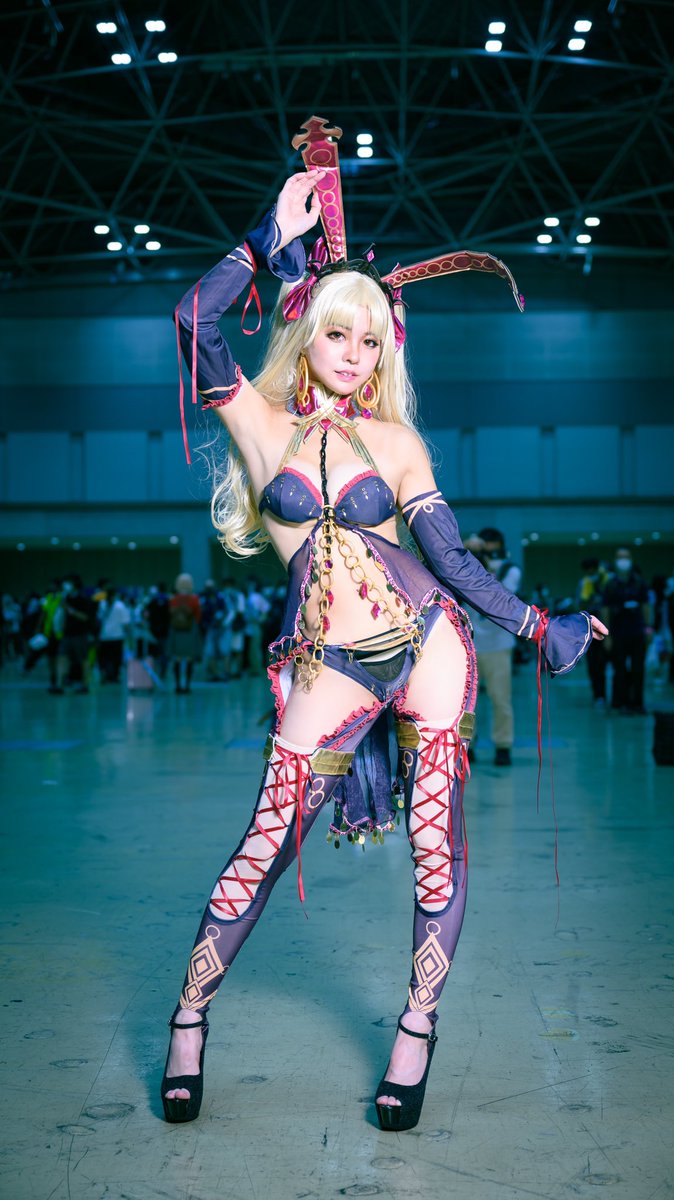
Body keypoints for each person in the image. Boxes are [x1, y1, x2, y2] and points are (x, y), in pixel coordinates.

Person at [161, 117, 607, 1133]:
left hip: (430, 644)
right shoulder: (261, 424)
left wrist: (538, 625)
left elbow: (450, 561)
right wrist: (262, 239)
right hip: (328, 661)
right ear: (307, 330)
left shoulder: (398, 442)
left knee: (436, 852)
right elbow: (193, 323)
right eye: (337, 332)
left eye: (371, 339)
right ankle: (188, 1019)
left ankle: (416, 1027)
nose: (353, 354)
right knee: (262, 849)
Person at [463, 529, 521, 766]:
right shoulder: (465, 567)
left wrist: (484, 569)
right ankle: (467, 745)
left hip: (498, 645)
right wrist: (464, 552)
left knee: (500, 699)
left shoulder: (509, 570)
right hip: (469, 645)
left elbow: (500, 598)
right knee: (468, 703)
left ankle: (503, 745)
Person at [602, 548, 651, 714]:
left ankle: (637, 702)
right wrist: (606, 634)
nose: (623, 560)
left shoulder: (639, 582)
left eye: (626, 557)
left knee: (638, 669)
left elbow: (646, 606)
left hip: (637, 631)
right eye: (620, 557)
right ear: (615, 561)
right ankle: (620, 701)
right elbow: (605, 609)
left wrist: (648, 627)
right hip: (618, 632)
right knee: (619, 669)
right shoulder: (610, 584)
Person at [576, 557, 611, 706]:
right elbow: (580, 605)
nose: (590, 573)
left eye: (593, 570)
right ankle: (598, 695)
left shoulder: (608, 581)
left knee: (606, 663)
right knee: (594, 664)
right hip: (591, 629)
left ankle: (614, 696)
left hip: (608, 627)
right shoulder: (584, 583)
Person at [168, 573, 202, 694]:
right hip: (190, 631)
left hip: (176, 632)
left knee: (177, 658)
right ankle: (187, 685)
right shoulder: (194, 599)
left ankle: (177, 685)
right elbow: (198, 616)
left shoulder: (173, 599)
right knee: (189, 658)